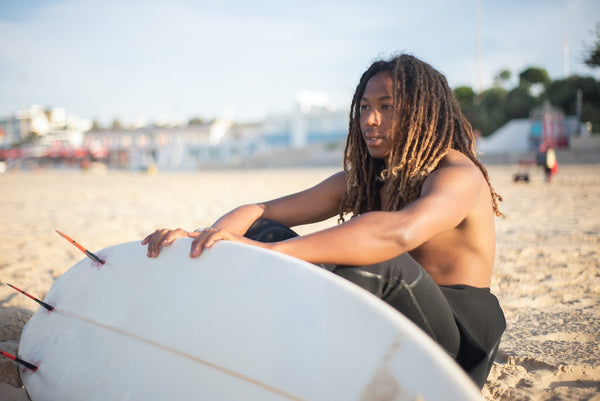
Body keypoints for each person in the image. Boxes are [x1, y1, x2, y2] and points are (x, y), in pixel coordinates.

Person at [142, 54, 506, 389]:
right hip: (390, 333)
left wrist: (272, 252)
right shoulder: (369, 178)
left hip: (454, 348)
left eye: (386, 107)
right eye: (364, 107)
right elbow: (261, 210)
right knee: (263, 231)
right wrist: (208, 239)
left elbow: (398, 233)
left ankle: (293, 363)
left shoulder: (457, 175)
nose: (369, 119)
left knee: (378, 260)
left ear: (423, 112)